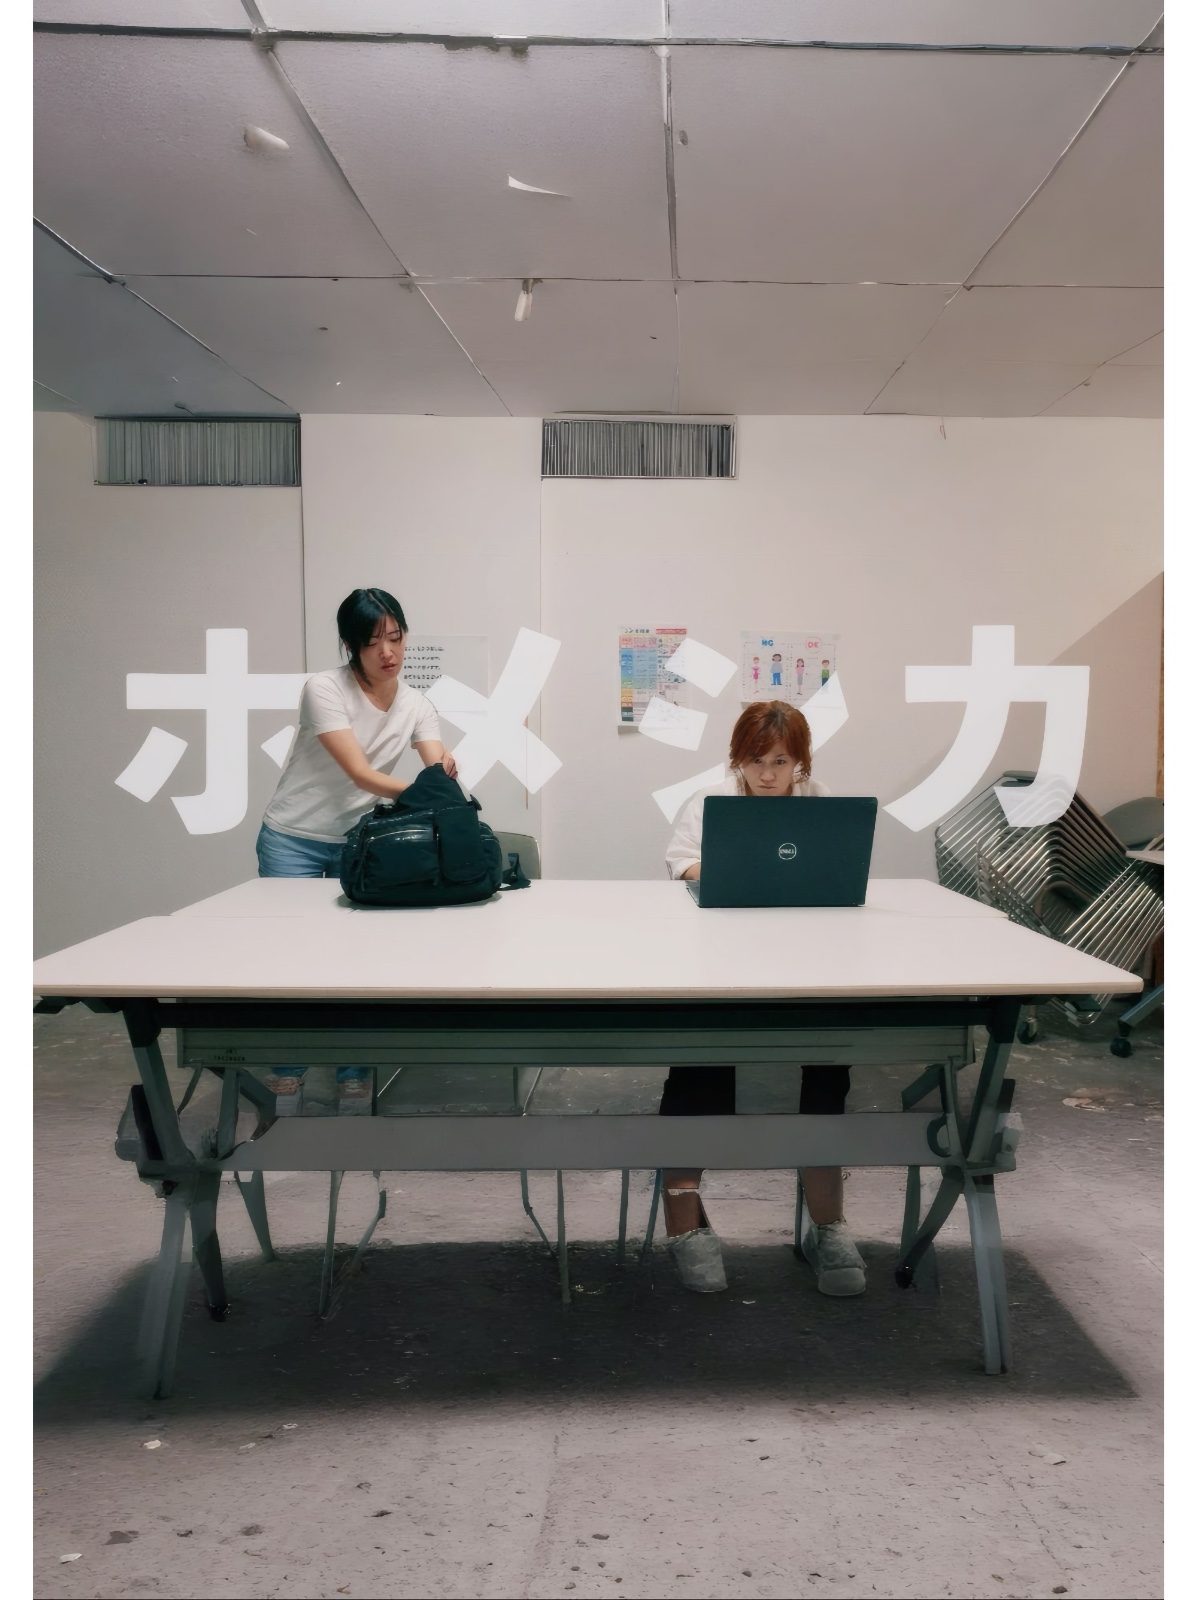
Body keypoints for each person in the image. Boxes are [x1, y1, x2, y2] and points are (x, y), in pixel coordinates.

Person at [661, 700, 866, 1298]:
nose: (769, 774)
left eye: (781, 762)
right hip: (719, 960)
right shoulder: (709, 800)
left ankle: (827, 1226)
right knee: (700, 1064)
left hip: (805, 961)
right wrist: (727, 873)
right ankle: (685, 1226)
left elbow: (841, 869)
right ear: (738, 759)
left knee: (828, 1068)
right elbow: (681, 864)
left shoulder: (821, 801)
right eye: (757, 761)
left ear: (799, 761)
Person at [256, 587, 458, 1115]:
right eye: (373, 643)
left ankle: (353, 1073)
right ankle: (287, 1074)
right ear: (351, 646)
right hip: (293, 839)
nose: (388, 652)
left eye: (395, 638)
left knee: (358, 963)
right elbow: (360, 774)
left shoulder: (417, 704)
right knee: (291, 965)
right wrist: (427, 791)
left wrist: (442, 771)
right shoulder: (325, 689)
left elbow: (435, 766)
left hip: (358, 844)